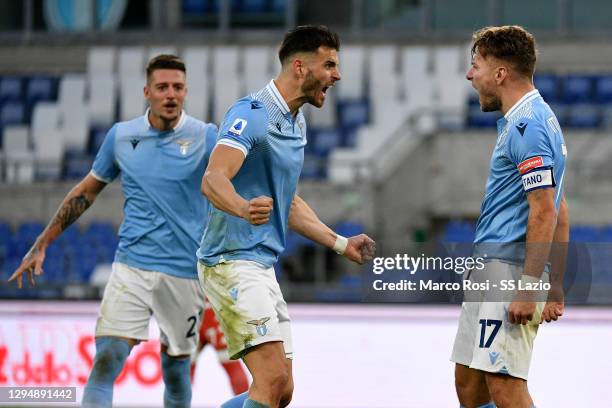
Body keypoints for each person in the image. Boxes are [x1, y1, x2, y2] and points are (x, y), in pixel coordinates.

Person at [9, 54, 217, 408]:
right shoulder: (122, 137)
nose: (171, 94)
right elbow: (85, 193)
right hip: (131, 266)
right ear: (147, 91)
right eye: (162, 87)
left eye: (178, 87)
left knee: (177, 370)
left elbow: (233, 187)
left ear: (186, 92)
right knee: (106, 359)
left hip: (185, 273)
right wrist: (42, 243)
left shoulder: (206, 137)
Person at [197, 25, 376, 408]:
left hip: (261, 265)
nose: (337, 75)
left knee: (282, 392)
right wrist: (243, 208)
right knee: (272, 380)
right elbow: (213, 179)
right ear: (300, 67)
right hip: (230, 261)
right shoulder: (251, 114)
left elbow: (288, 202)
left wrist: (341, 244)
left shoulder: (296, 122)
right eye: (329, 65)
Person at [450, 26, 569, 408]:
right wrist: (556, 285)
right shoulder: (527, 120)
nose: (471, 76)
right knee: (469, 386)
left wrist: (530, 284)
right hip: (492, 271)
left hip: (509, 271)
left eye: (476, 66)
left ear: (500, 74)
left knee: (504, 386)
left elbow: (545, 210)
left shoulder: (528, 125)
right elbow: (561, 209)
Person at [190, 298, 250, 394]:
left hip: (192, 307)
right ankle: (243, 403)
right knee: (230, 363)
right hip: (213, 305)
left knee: (183, 364)